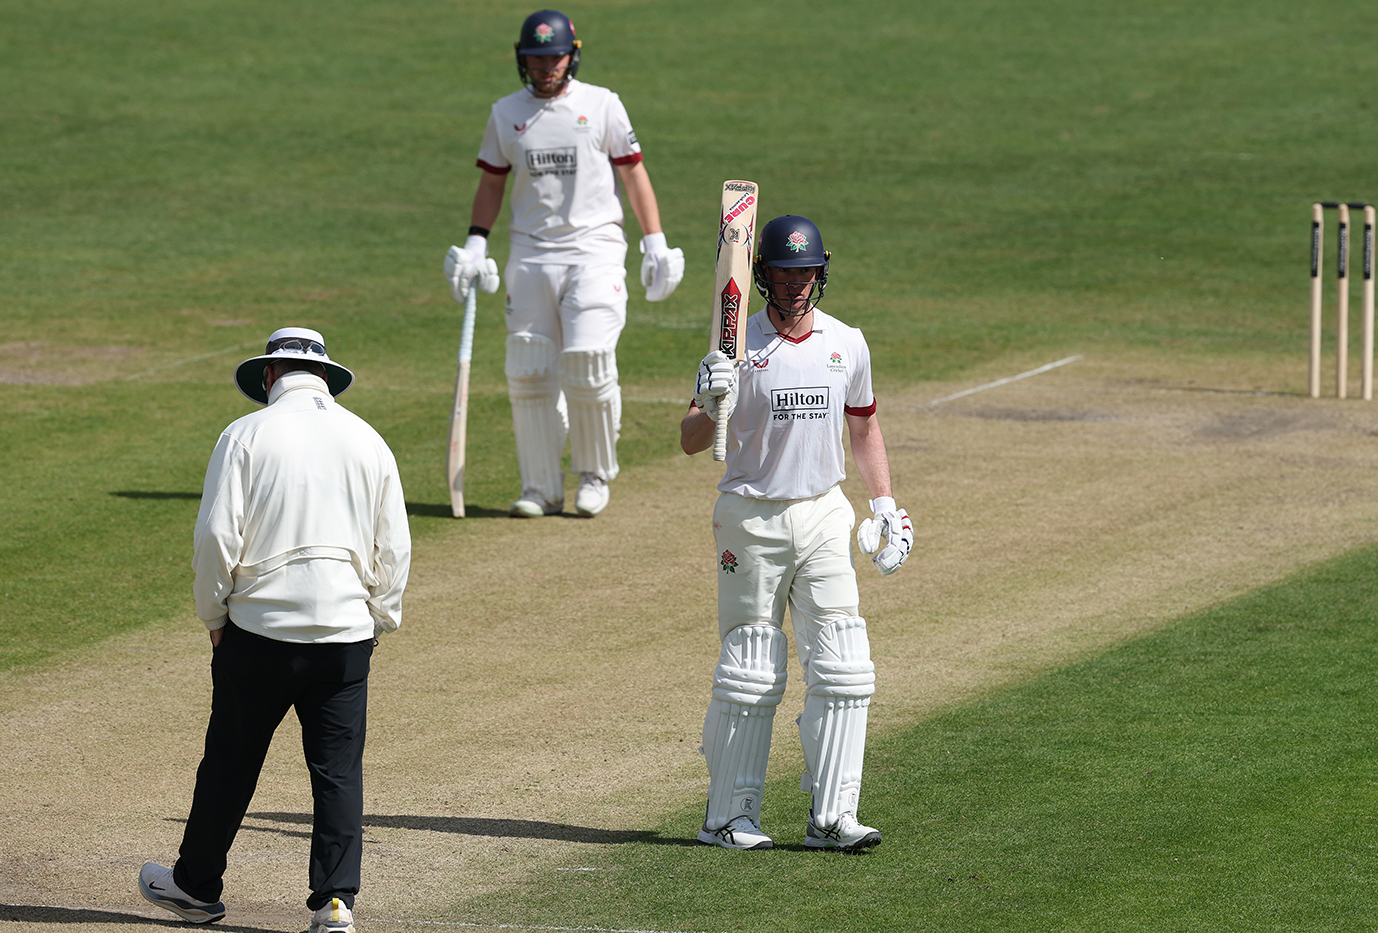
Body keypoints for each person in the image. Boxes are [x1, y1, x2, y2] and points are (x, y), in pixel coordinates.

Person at [139, 328, 411, 932]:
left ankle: (195, 886)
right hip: (344, 634)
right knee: (337, 770)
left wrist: (214, 614)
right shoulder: (368, 438)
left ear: (269, 376)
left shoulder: (246, 433)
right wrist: (379, 617)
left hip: (257, 632)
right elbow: (395, 543)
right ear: (323, 377)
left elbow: (215, 537)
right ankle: (335, 902)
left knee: (231, 761)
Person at [681, 216, 913, 851]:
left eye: (805, 272)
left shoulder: (847, 343)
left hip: (825, 512)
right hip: (750, 517)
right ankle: (729, 818)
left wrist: (885, 503)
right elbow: (690, 440)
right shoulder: (734, 348)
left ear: (821, 272)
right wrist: (709, 394)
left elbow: (863, 428)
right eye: (783, 273)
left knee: (844, 667)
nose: (795, 285)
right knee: (752, 670)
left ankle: (832, 817)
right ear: (762, 277)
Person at [444, 9, 685, 519]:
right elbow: (492, 182)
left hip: (595, 250)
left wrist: (655, 241)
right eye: (536, 59)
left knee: (587, 361)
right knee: (529, 370)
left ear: (571, 55)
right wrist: (475, 243)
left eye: (553, 58)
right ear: (522, 60)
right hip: (531, 254)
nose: (545, 68)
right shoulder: (506, 112)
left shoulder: (602, 105)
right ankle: (540, 488)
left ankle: (594, 474)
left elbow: (634, 175)